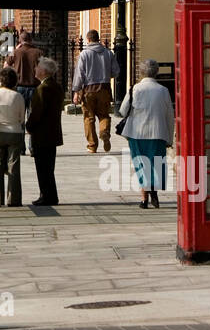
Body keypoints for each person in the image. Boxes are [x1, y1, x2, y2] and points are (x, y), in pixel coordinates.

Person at [120, 59, 175, 209]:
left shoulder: (135, 89)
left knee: (141, 165)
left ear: (141, 72)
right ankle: (154, 192)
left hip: (137, 133)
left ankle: (144, 199)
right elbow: (170, 116)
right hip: (158, 132)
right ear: (156, 72)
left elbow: (123, 110)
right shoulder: (163, 91)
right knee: (156, 164)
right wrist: (170, 138)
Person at [71, 29, 119, 154]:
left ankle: (92, 145)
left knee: (89, 117)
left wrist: (76, 90)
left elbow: (80, 74)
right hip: (104, 87)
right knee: (104, 114)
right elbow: (115, 72)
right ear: (98, 39)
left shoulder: (84, 54)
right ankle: (104, 132)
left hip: (88, 89)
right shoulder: (108, 53)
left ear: (88, 40)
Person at [25, 57, 64, 205]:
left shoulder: (42, 89)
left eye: (37, 67)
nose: (35, 69)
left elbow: (37, 111)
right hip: (52, 132)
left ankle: (47, 195)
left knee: (42, 167)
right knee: (49, 167)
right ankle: (50, 195)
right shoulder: (56, 86)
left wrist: (29, 126)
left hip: (42, 133)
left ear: (44, 71)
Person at [0, 66, 26, 206]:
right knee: (13, 166)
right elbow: (21, 118)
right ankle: (13, 200)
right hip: (14, 133)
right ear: (14, 81)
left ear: (1, 80)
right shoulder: (18, 96)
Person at [5, 30, 43, 111]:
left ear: (20, 40)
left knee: (19, 115)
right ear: (31, 40)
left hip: (19, 87)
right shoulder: (39, 52)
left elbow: (6, 66)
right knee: (32, 116)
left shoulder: (16, 52)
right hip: (34, 87)